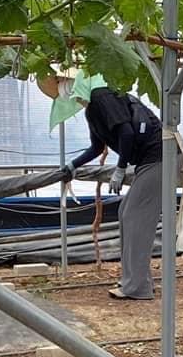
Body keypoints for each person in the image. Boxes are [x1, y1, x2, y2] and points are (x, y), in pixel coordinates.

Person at [58, 81, 167, 301]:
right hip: (148, 160)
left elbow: (126, 133)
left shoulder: (102, 96)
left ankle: (137, 287)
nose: (61, 90)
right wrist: (73, 165)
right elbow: (97, 148)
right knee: (126, 214)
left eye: (62, 83)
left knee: (135, 217)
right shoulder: (92, 111)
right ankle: (135, 280)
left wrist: (120, 169)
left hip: (159, 156)